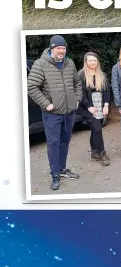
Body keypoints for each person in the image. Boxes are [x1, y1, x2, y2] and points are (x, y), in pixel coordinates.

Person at [26, 34, 83, 191]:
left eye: (64, 48)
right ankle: (55, 175)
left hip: (69, 112)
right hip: (53, 114)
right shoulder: (40, 64)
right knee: (53, 143)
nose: (62, 51)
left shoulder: (69, 63)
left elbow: (77, 82)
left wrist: (76, 99)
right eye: (59, 48)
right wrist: (46, 104)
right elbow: (31, 87)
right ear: (52, 48)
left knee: (65, 141)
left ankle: (62, 169)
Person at [77, 50, 111, 166]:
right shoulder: (81, 75)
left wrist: (106, 105)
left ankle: (94, 152)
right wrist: (88, 106)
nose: (92, 62)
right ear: (86, 62)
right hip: (87, 107)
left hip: (100, 106)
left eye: (94, 60)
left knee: (95, 129)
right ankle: (102, 153)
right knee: (97, 129)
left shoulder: (102, 75)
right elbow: (79, 93)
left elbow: (107, 91)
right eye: (90, 60)